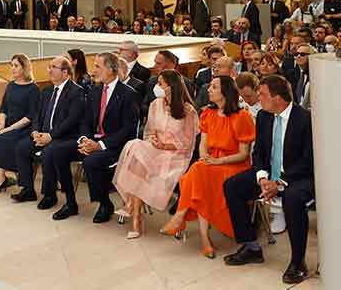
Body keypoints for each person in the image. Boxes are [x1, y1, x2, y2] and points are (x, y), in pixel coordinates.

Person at [223, 75, 314, 286]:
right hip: (269, 175)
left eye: (262, 94)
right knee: (233, 186)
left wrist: (279, 183)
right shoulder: (264, 116)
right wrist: (263, 177)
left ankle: (298, 262)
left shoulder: (305, 120)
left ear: (278, 98)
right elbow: (260, 153)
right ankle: (251, 247)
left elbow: (308, 162)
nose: (257, 97)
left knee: (292, 199)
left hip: (297, 178)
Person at [162, 76, 255, 258]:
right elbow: (203, 143)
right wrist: (205, 155)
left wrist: (217, 161)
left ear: (225, 92)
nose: (208, 90)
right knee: (199, 172)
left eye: (214, 87)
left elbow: (243, 154)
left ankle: (180, 218)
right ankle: (204, 238)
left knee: (196, 173)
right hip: (212, 163)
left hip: (234, 165)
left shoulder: (242, 116)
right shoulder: (208, 114)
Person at [49, 52, 140, 223]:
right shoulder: (94, 91)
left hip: (114, 146)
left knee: (92, 161)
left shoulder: (128, 94)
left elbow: (129, 130)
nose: (93, 70)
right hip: (92, 141)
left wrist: (100, 145)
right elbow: (85, 120)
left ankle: (105, 204)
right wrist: (84, 139)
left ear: (111, 69)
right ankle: (70, 202)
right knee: (56, 151)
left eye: (98, 66)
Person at [113, 69, 198, 239]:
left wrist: (166, 145)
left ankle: (134, 212)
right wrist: (154, 142)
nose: (156, 87)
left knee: (141, 166)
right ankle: (136, 216)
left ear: (171, 87)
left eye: (160, 84)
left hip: (175, 155)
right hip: (155, 149)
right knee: (135, 147)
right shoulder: (155, 105)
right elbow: (149, 131)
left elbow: (189, 144)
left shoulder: (188, 111)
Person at [11, 56, 85, 205]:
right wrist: (35, 131)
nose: (49, 70)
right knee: (22, 147)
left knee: (48, 152)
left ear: (65, 73)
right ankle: (27, 189)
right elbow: (37, 115)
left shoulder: (76, 92)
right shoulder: (46, 90)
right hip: (43, 135)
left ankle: (50, 195)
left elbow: (71, 121)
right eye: (49, 67)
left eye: (53, 67)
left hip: (64, 137)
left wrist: (51, 136)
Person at [0, 54, 40, 194]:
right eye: (11, 65)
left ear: (24, 68)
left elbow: (30, 116)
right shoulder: (10, 85)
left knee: (1, 140)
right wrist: (1, 125)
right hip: (7, 125)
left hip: (23, 128)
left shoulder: (33, 89)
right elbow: (3, 108)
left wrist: (8, 129)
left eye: (16, 66)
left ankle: (1, 178)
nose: (12, 68)